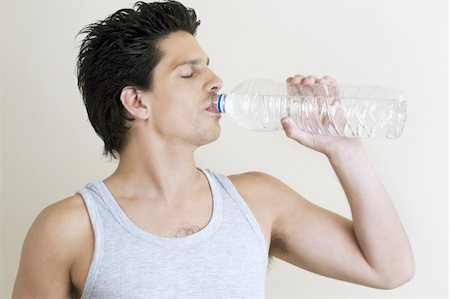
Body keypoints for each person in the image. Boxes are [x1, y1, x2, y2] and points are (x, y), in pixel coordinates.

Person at [12, 1, 414, 298]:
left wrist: (344, 150)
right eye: (189, 72)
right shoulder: (66, 229)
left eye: (208, 65)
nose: (216, 80)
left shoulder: (258, 200)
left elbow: (390, 269)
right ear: (136, 102)